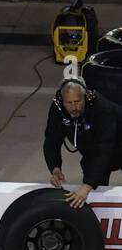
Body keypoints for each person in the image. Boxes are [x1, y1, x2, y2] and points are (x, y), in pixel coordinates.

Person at [43, 78, 122, 208]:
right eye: (69, 103)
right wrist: (55, 168)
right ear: (62, 100)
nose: (74, 107)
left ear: (85, 97)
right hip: (95, 149)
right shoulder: (57, 108)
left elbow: (103, 149)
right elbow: (52, 139)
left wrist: (86, 187)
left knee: (89, 184)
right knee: (94, 183)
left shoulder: (102, 108)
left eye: (77, 101)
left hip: (115, 141)